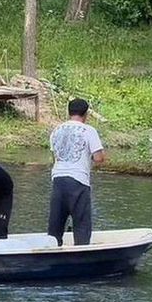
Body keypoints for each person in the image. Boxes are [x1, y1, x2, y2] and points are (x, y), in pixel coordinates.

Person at [48, 98, 105, 246]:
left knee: (56, 223)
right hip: (78, 180)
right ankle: (82, 252)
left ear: (69, 112)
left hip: (58, 179)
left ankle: (53, 252)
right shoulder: (89, 130)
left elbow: (55, 157)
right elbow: (99, 158)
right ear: (86, 114)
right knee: (81, 223)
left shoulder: (56, 130)